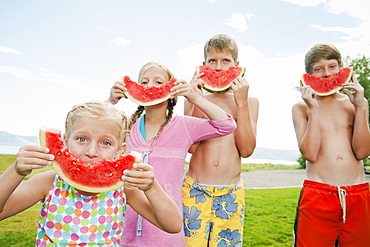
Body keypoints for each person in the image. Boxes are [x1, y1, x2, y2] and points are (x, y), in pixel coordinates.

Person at [0, 100, 182, 246]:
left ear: (120, 150)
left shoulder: (124, 189)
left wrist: (151, 188)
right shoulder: (49, 183)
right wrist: (16, 171)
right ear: (64, 142)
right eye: (81, 139)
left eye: (105, 143)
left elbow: (173, 225)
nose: (92, 151)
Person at [106, 61, 237, 247]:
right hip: (121, 226)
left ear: (172, 91)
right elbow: (91, 127)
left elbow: (226, 125)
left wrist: (194, 97)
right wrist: (110, 102)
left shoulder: (184, 126)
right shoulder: (123, 124)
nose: (150, 87)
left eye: (159, 82)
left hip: (166, 229)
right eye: (143, 82)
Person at [183, 34, 259, 246]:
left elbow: (246, 149)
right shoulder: (193, 99)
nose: (218, 68)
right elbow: (191, 146)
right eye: (212, 61)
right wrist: (196, 99)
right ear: (203, 66)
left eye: (226, 61)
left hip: (230, 192)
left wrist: (241, 104)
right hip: (195, 189)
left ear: (237, 65)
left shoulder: (250, 102)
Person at [292, 43, 370, 246]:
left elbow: (362, 151)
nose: (326, 74)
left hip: (357, 193)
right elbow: (310, 153)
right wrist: (314, 110)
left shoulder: (355, 104)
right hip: (318, 193)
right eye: (319, 69)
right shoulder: (301, 107)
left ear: (341, 68)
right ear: (308, 75)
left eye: (332, 66)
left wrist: (361, 107)